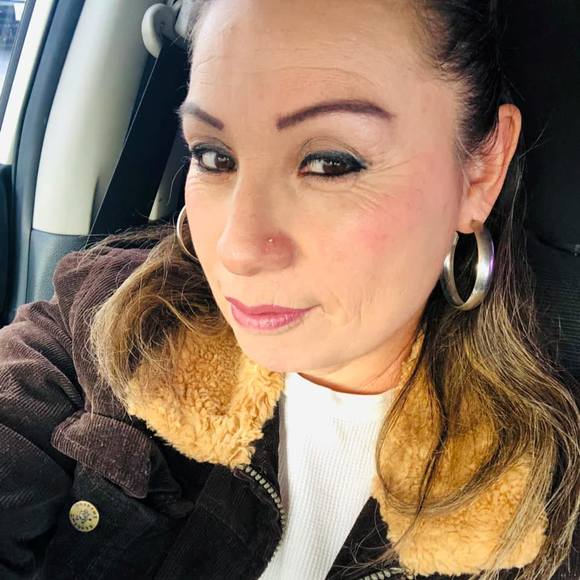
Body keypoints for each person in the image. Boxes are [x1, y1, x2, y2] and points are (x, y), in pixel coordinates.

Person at [0, 0, 578, 578]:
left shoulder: (545, 504)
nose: (236, 248)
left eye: (330, 163)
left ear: (481, 171)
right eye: (214, 156)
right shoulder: (104, 322)